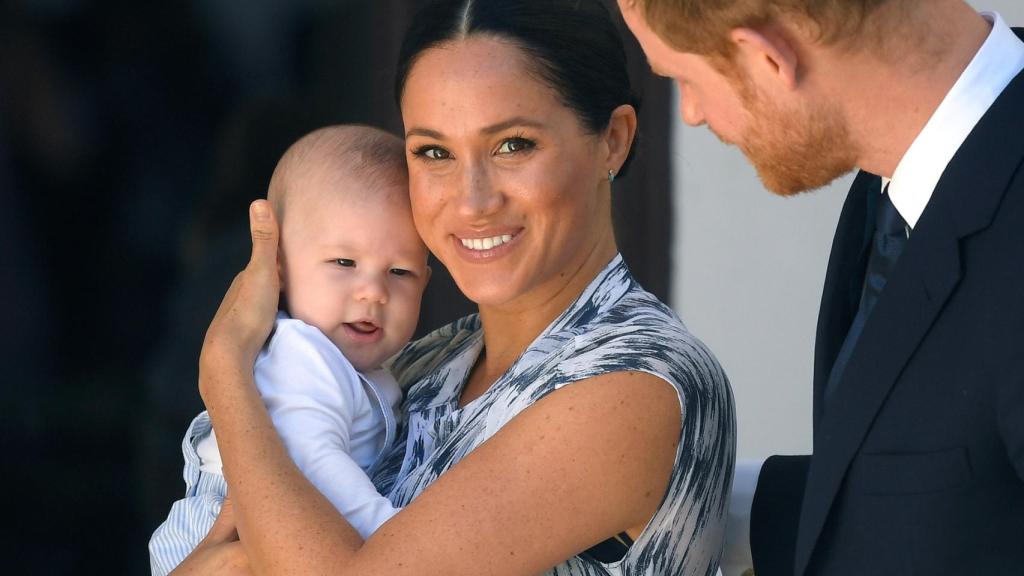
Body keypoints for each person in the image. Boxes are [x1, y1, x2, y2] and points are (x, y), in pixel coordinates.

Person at [172, 1, 736, 574]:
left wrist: (225, 372)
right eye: (434, 152)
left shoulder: (636, 381)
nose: (471, 201)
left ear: (613, 140)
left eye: (513, 145)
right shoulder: (424, 363)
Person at [617, 0, 1024, 574]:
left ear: (769, 59)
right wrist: (671, 493)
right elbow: (952, 493)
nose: (693, 114)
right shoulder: (905, 171)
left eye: (685, 79)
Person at [149, 125, 431, 574]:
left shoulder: (363, 366)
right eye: (344, 263)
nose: (373, 292)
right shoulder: (301, 356)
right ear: (277, 267)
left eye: (400, 272)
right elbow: (314, 463)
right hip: (220, 539)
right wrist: (391, 538)